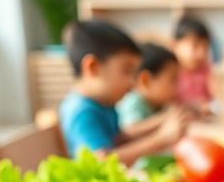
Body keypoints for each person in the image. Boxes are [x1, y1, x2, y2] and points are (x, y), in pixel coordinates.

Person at [58, 20, 185, 165]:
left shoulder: (103, 103)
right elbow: (101, 161)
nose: (133, 82)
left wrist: (164, 122)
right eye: (126, 70)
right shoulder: (81, 111)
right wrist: (161, 139)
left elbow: (119, 138)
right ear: (93, 67)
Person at [116, 42, 191, 145]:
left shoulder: (160, 102)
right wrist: (165, 117)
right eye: (172, 80)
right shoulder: (132, 101)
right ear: (146, 80)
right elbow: (128, 131)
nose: (177, 86)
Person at [172, 15, 216, 113]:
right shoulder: (169, 72)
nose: (201, 53)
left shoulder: (208, 69)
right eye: (195, 45)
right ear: (174, 45)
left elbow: (217, 98)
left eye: (205, 47)